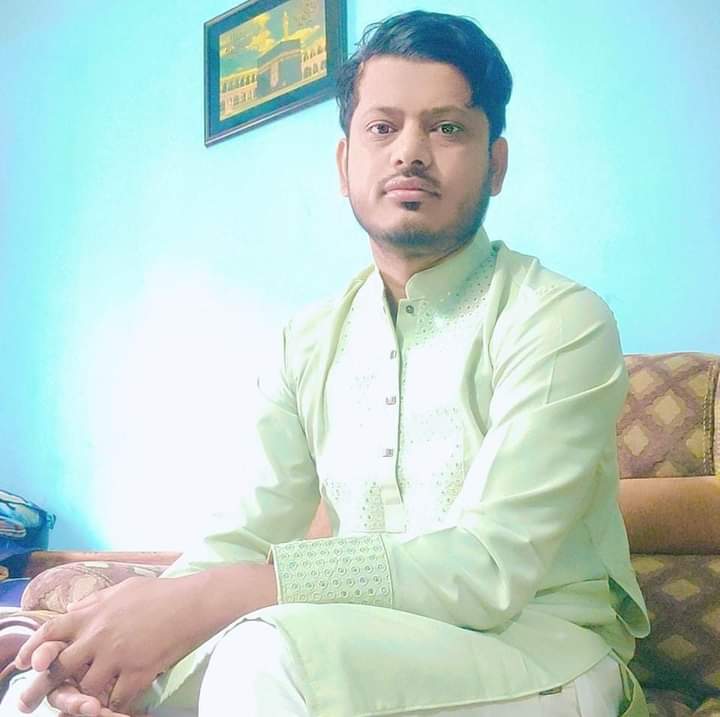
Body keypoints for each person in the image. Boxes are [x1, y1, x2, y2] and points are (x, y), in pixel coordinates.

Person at [4, 10, 650, 717]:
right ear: (345, 166)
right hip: (362, 641)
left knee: (266, 654)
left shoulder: (558, 319)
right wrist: (110, 634)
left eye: (447, 128)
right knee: (48, 691)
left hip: (544, 649)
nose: (410, 153)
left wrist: (230, 593)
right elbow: (246, 532)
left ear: (496, 165)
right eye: (382, 127)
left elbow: (489, 567)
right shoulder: (308, 340)